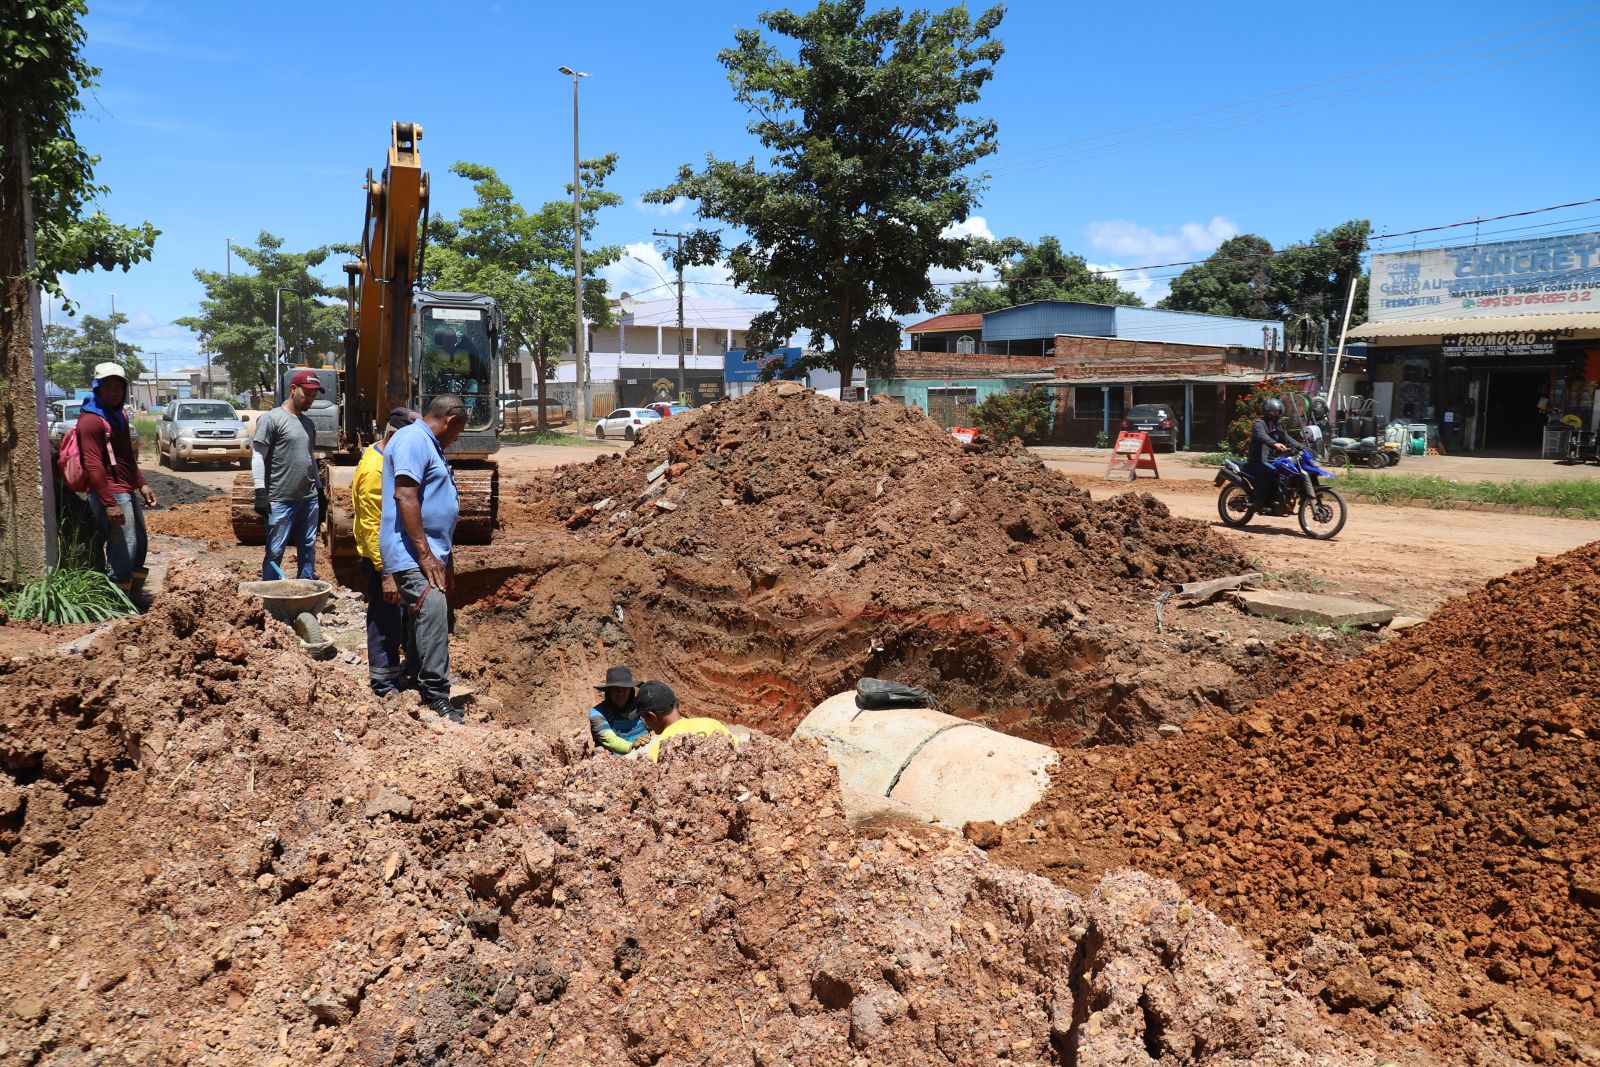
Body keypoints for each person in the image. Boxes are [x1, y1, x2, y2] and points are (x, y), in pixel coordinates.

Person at [380, 394, 467, 722]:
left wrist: (445, 559)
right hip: (412, 554)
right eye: (459, 430)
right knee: (432, 612)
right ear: (451, 420)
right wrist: (427, 555)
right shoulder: (415, 440)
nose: (458, 438)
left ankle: (417, 680)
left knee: (425, 616)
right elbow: (405, 495)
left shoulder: (429, 444)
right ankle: (436, 696)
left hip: (427, 553)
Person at [76, 362, 157, 609]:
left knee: (139, 542)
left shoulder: (118, 416)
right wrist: (109, 503)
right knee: (123, 546)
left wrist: (141, 483)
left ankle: (133, 594)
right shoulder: (91, 421)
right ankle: (117, 601)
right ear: (97, 389)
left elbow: (126, 456)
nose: (113, 392)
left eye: (118, 387)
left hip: (125, 488)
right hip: (109, 491)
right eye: (108, 387)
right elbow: (93, 465)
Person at [353, 407, 419, 696]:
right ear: (393, 435)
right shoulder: (374, 470)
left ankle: (399, 673)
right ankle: (384, 683)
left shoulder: (387, 458)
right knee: (384, 621)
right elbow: (370, 526)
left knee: (401, 618)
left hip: (395, 555)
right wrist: (386, 573)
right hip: (381, 560)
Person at [252, 370, 324, 580]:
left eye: (313, 395)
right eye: (307, 394)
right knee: (275, 551)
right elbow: (257, 456)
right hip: (280, 498)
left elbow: (310, 458)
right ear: (293, 389)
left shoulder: (308, 424)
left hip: (308, 499)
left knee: (308, 547)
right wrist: (260, 492)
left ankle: (307, 589)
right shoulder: (271, 419)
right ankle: (271, 597)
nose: (310, 399)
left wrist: (319, 491)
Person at [634, 680, 739, 763]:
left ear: (652, 716)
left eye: (644, 718)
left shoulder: (663, 745)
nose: (645, 723)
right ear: (676, 704)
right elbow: (740, 750)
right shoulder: (711, 723)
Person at [1245, 396, 1293, 514]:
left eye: (1278, 411)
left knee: (1286, 472)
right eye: (1274, 411)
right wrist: (1275, 443)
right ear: (1267, 411)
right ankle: (1259, 502)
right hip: (1256, 461)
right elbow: (1262, 436)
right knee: (1271, 472)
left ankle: (1277, 500)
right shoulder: (1259, 424)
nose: (1276, 414)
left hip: (1271, 460)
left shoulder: (1278, 425)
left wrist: (1302, 447)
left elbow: (1287, 438)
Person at [588, 666, 650, 754]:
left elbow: (656, 728)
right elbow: (609, 739)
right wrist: (632, 747)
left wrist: (651, 738)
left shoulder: (641, 705)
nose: (620, 693)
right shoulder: (597, 713)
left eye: (624, 688)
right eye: (615, 689)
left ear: (630, 690)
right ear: (608, 691)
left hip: (648, 754)